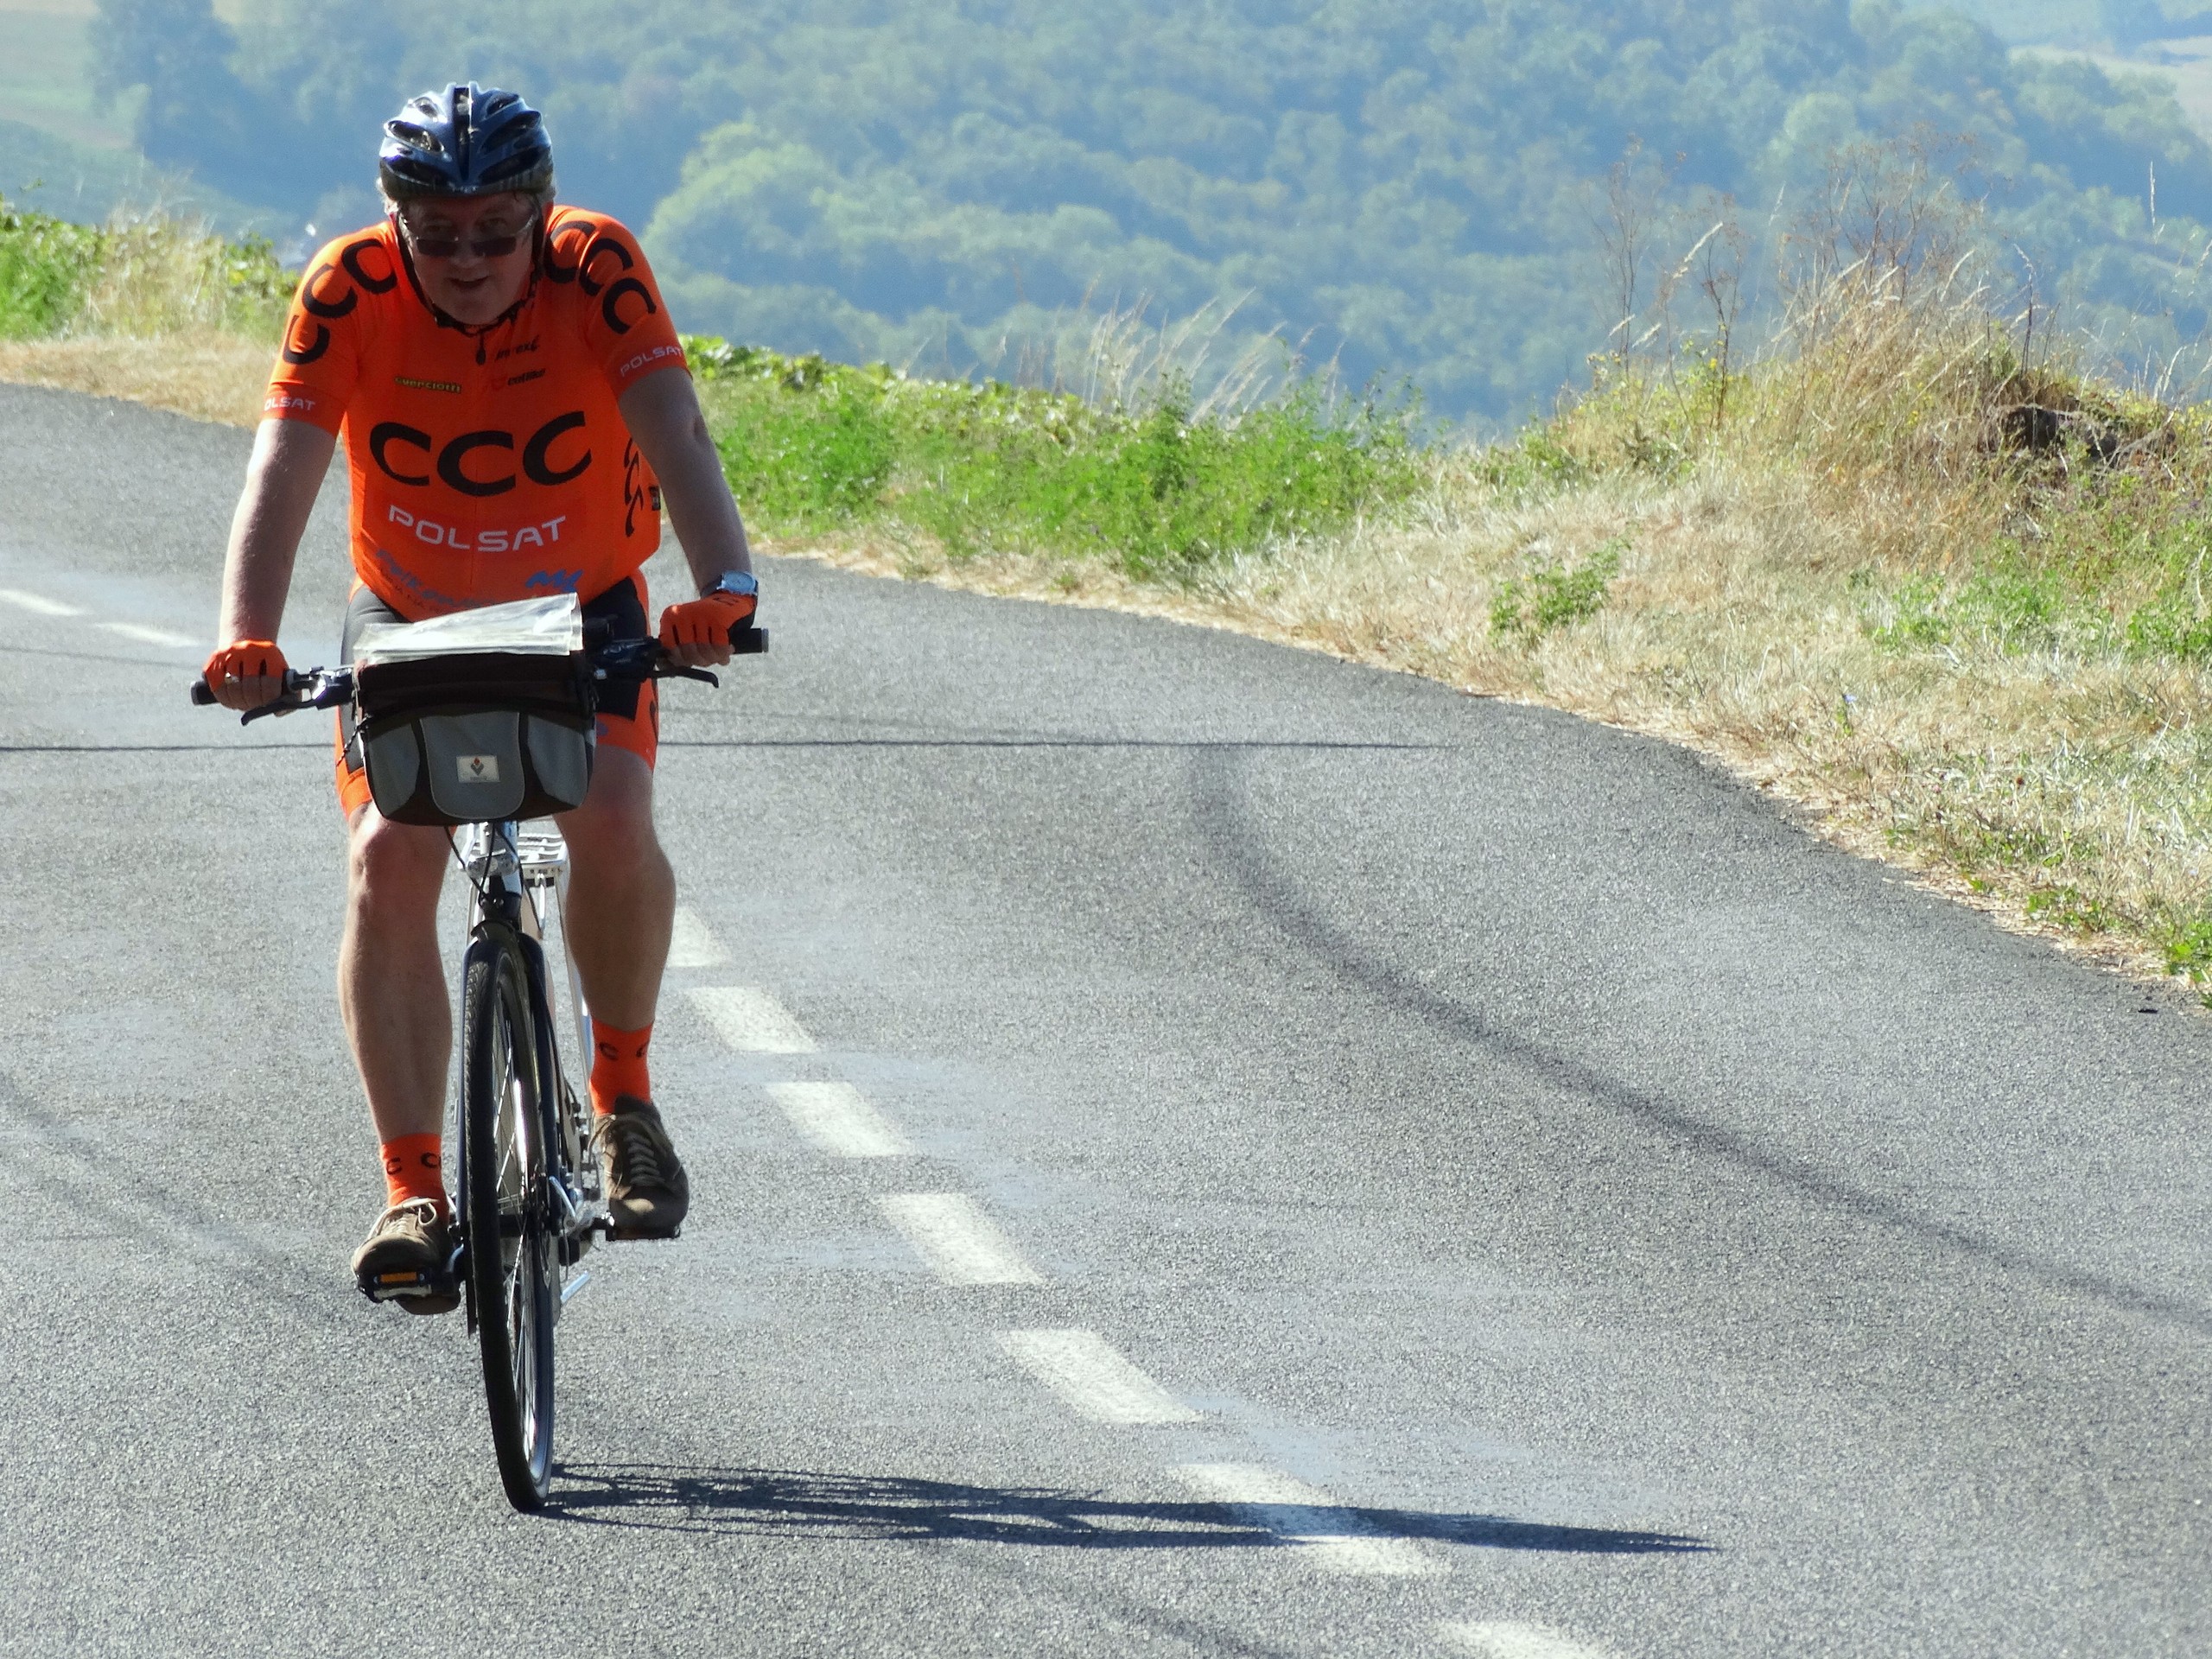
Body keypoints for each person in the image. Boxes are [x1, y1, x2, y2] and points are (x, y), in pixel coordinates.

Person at [202, 84, 758, 1314]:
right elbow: (284, 460)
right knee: (384, 862)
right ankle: (412, 1187)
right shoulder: (348, 289)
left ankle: (623, 1101)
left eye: (495, 229)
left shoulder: (596, 266)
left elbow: (676, 423)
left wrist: (723, 583)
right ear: (394, 221)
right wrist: (246, 632)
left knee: (608, 817)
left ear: (541, 214)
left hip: (584, 604)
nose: (466, 257)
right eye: (436, 230)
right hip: (411, 608)